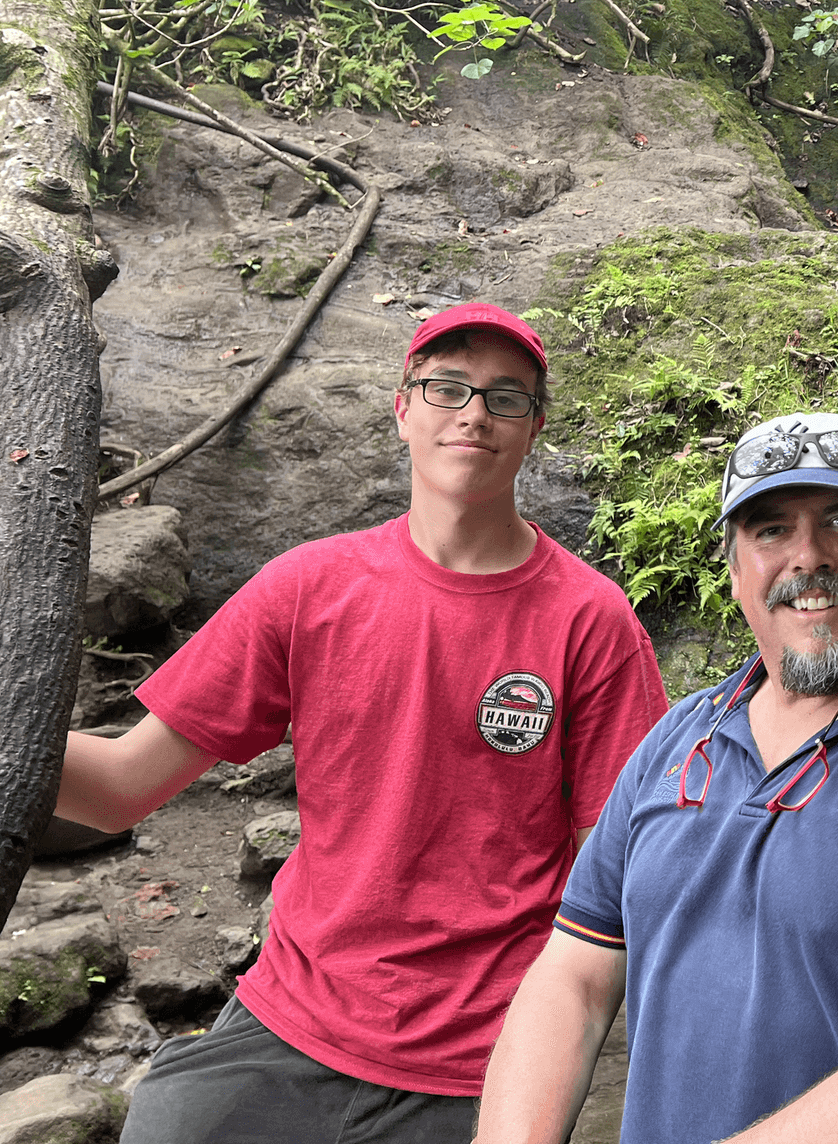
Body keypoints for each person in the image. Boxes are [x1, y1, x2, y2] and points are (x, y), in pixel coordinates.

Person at [54, 302, 669, 1143]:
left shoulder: (591, 621)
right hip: (289, 1023)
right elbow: (119, 790)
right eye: (447, 387)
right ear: (403, 408)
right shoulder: (308, 589)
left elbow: (621, 881)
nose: (474, 414)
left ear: (534, 428)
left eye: (506, 397)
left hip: (483, 1055)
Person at [475, 413, 838, 1144]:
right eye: (771, 531)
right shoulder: (679, 740)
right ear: (735, 571)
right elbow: (574, 979)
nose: (807, 557)